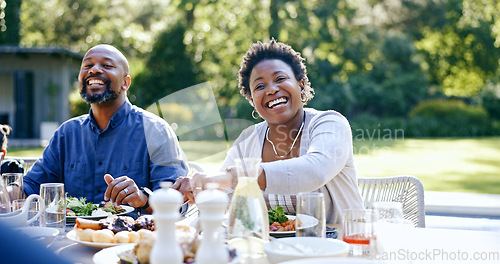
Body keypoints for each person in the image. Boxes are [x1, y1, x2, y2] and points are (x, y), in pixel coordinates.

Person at [174, 39, 363, 224]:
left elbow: (315, 170)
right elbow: (225, 201)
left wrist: (235, 177)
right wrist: (200, 190)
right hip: (274, 252)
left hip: (342, 247)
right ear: (253, 102)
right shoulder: (248, 140)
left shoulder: (329, 123)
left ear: (301, 85)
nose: (271, 90)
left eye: (280, 79)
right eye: (260, 86)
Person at [21, 44, 187, 213]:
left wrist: (142, 199)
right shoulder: (67, 133)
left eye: (107, 66)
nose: (94, 70)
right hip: (72, 236)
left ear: (125, 82)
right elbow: (31, 185)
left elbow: (177, 203)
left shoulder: (155, 131)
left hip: (133, 237)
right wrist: (8, 191)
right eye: (87, 65)